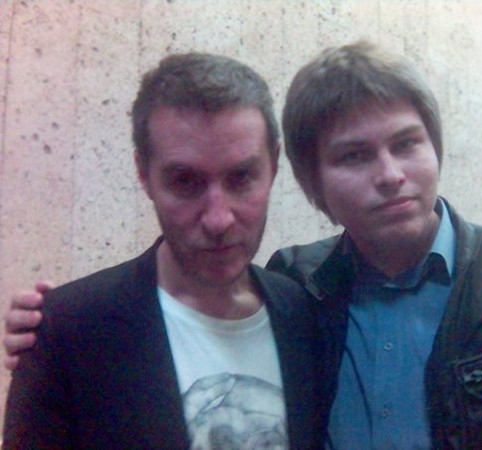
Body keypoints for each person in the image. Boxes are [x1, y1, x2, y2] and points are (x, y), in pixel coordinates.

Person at [5, 42, 482, 448]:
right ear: (312, 182)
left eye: (406, 144)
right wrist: (51, 330)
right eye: (354, 155)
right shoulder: (303, 289)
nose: (390, 175)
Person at [2, 52, 326, 449]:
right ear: (144, 174)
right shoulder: (68, 331)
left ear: (273, 165)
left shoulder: (303, 313)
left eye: (241, 177)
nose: (218, 219)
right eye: (185, 181)